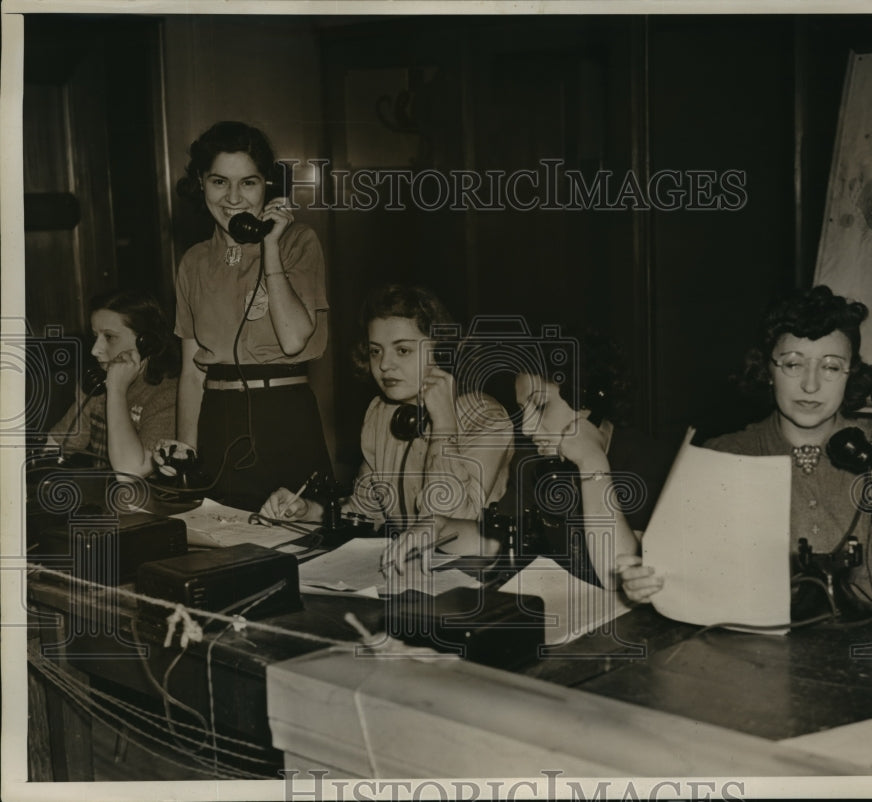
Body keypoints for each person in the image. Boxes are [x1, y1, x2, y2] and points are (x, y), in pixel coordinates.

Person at [619, 285, 872, 616]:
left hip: (864, 641)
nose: (810, 385)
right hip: (753, 641)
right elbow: (689, 577)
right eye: (793, 364)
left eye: (830, 366)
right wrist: (649, 582)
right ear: (768, 370)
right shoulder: (725, 455)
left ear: (851, 374)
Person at [405, 330, 670, 590]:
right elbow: (500, 540)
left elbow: (619, 578)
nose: (527, 428)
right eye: (523, 410)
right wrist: (440, 526)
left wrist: (592, 463)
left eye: (541, 406)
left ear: (590, 401)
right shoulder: (533, 464)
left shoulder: (649, 461)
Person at [260, 284, 515, 548]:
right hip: (408, 562)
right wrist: (308, 511)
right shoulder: (382, 412)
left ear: (441, 351)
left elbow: (446, 529)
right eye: (375, 351)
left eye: (402, 350)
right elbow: (365, 510)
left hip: (474, 567)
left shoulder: (486, 418)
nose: (383, 364)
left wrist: (443, 428)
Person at [160, 120, 330, 510]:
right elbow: (192, 372)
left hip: (284, 419)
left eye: (248, 183)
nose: (233, 198)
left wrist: (270, 247)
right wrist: (186, 451)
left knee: (297, 534)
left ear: (267, 186)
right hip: (217, 422)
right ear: (201, 183)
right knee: (217, 534)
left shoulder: (298, 242)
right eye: (219, 182)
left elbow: (293, 339)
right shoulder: (193, 262)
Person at [48, 288, 179, 477]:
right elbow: (54, 447)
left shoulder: (168, 396)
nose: (95, 350)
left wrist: (116, 390)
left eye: (109, 337)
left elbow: (130, 473)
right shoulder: (97, 386)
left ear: (146, 343)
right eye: (95, 337)